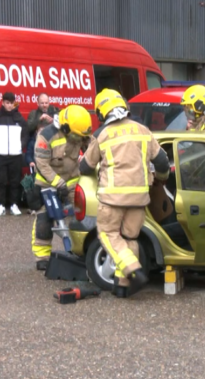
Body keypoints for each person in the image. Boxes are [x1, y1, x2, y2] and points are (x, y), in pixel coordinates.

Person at [79, 88, 169, 298]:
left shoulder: (102, 134)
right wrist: (162, 179)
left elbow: (85, 167)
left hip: (113, 198)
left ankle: (134, 271)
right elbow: (162, 161)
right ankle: (122, 285)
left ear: (101, 113)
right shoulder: (142, 130)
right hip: (139, 199)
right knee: (129, 238)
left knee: (108, 234)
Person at [31, 105, 91, 270]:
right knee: (44, 220)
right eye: (76, 136)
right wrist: (58, 183)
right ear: (65, 127)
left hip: (72, 181)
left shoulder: (78, 131)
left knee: (79, 217)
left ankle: (78, 251)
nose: (78, 139)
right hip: (47, 182)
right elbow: (42, 164)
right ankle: (42, 257)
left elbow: (92, 147)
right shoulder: (46, 136)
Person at [0, 91, 27, 216]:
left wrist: (21, 146)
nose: (9, 105)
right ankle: (0, 205)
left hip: (16, 155)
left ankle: (14, 205)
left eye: (11, 103)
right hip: (0, 155)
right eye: (7, 103)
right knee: (0, 181)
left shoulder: (19, 118)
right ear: (3, 103)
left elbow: (25, 134)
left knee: (15, 181)